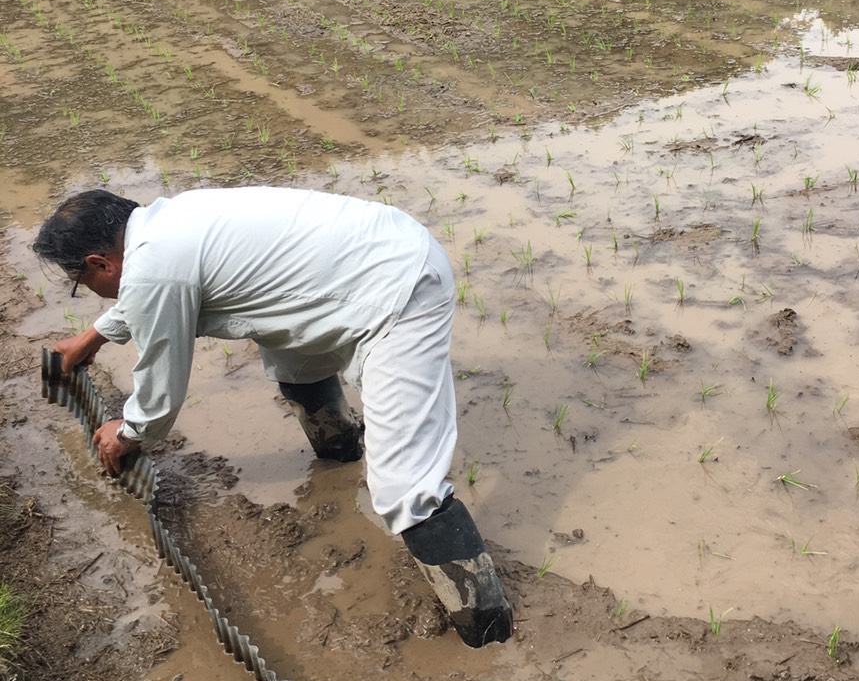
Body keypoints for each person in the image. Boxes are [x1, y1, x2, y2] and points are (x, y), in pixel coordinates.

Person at [34, 186, 513, 649]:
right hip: (381, 248)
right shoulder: (168, 222)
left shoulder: (155, 269)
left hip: (399, 291)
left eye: (82, 283)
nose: (90, 291)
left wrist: (128, 432)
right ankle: (340, 449)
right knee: (295, 360)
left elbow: (160, 392)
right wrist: (93, 337)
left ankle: (487, 627)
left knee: (404, 487)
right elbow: (150, 296)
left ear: (101, 262)